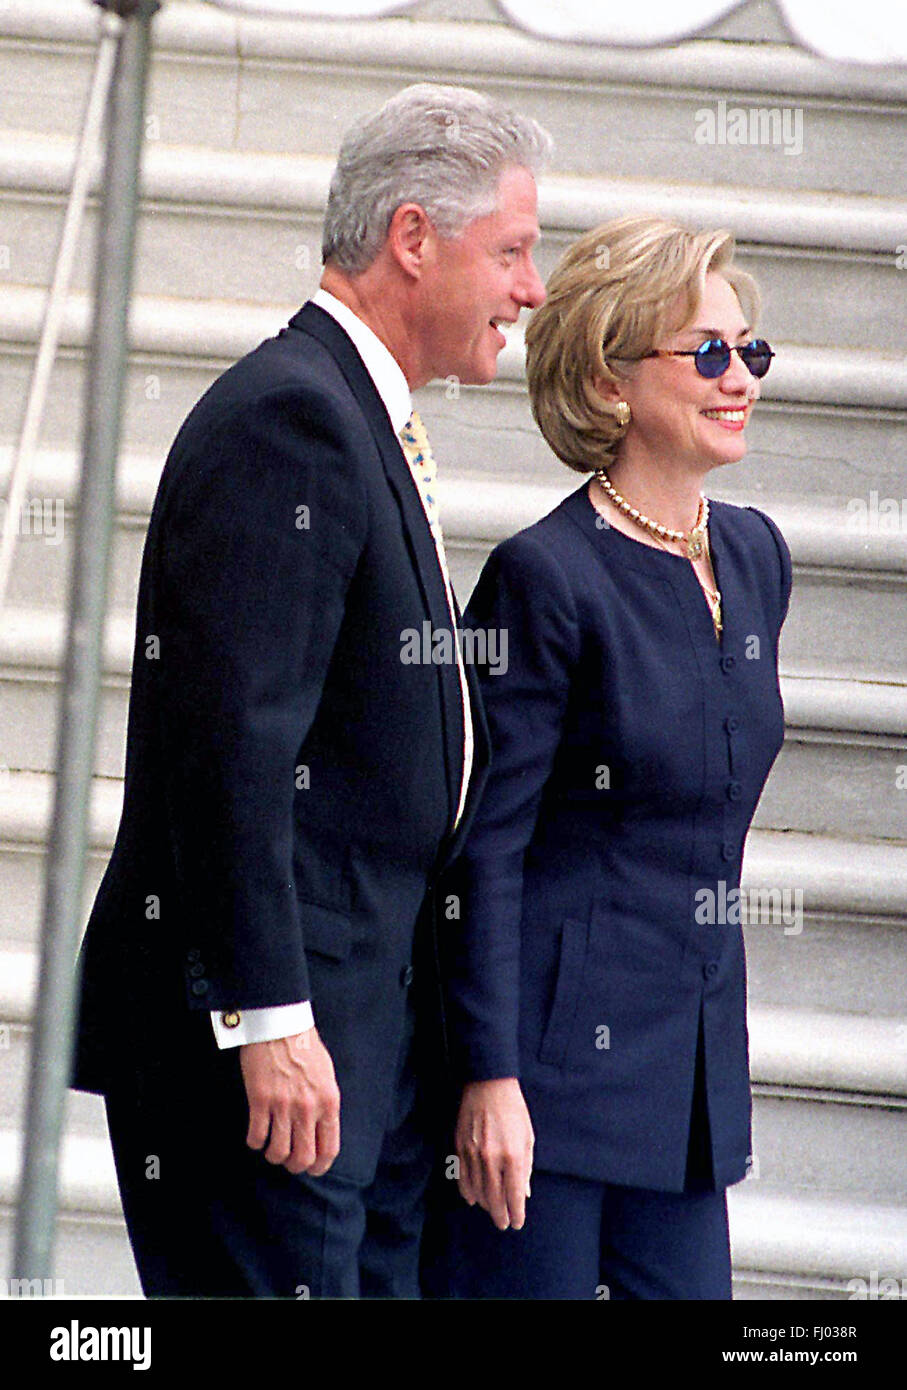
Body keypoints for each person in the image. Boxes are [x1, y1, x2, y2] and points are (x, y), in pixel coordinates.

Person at [70, 82, 549, 1298]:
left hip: (362, 1038)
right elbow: (230, 745)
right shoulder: (294, 417)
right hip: (276, 1059)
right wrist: (266, 1018)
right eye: (510, 251)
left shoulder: (354, 410)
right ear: (410, 238)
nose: (530, 290)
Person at [423, 214, 792, 1299]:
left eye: (750, 351)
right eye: (708, 352)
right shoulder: (546, 576)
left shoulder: (759, 556)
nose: (741, 379)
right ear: (611, 378)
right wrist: (488, 1075)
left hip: (687, 1085)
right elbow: (485, 853)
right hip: (547, 1083)